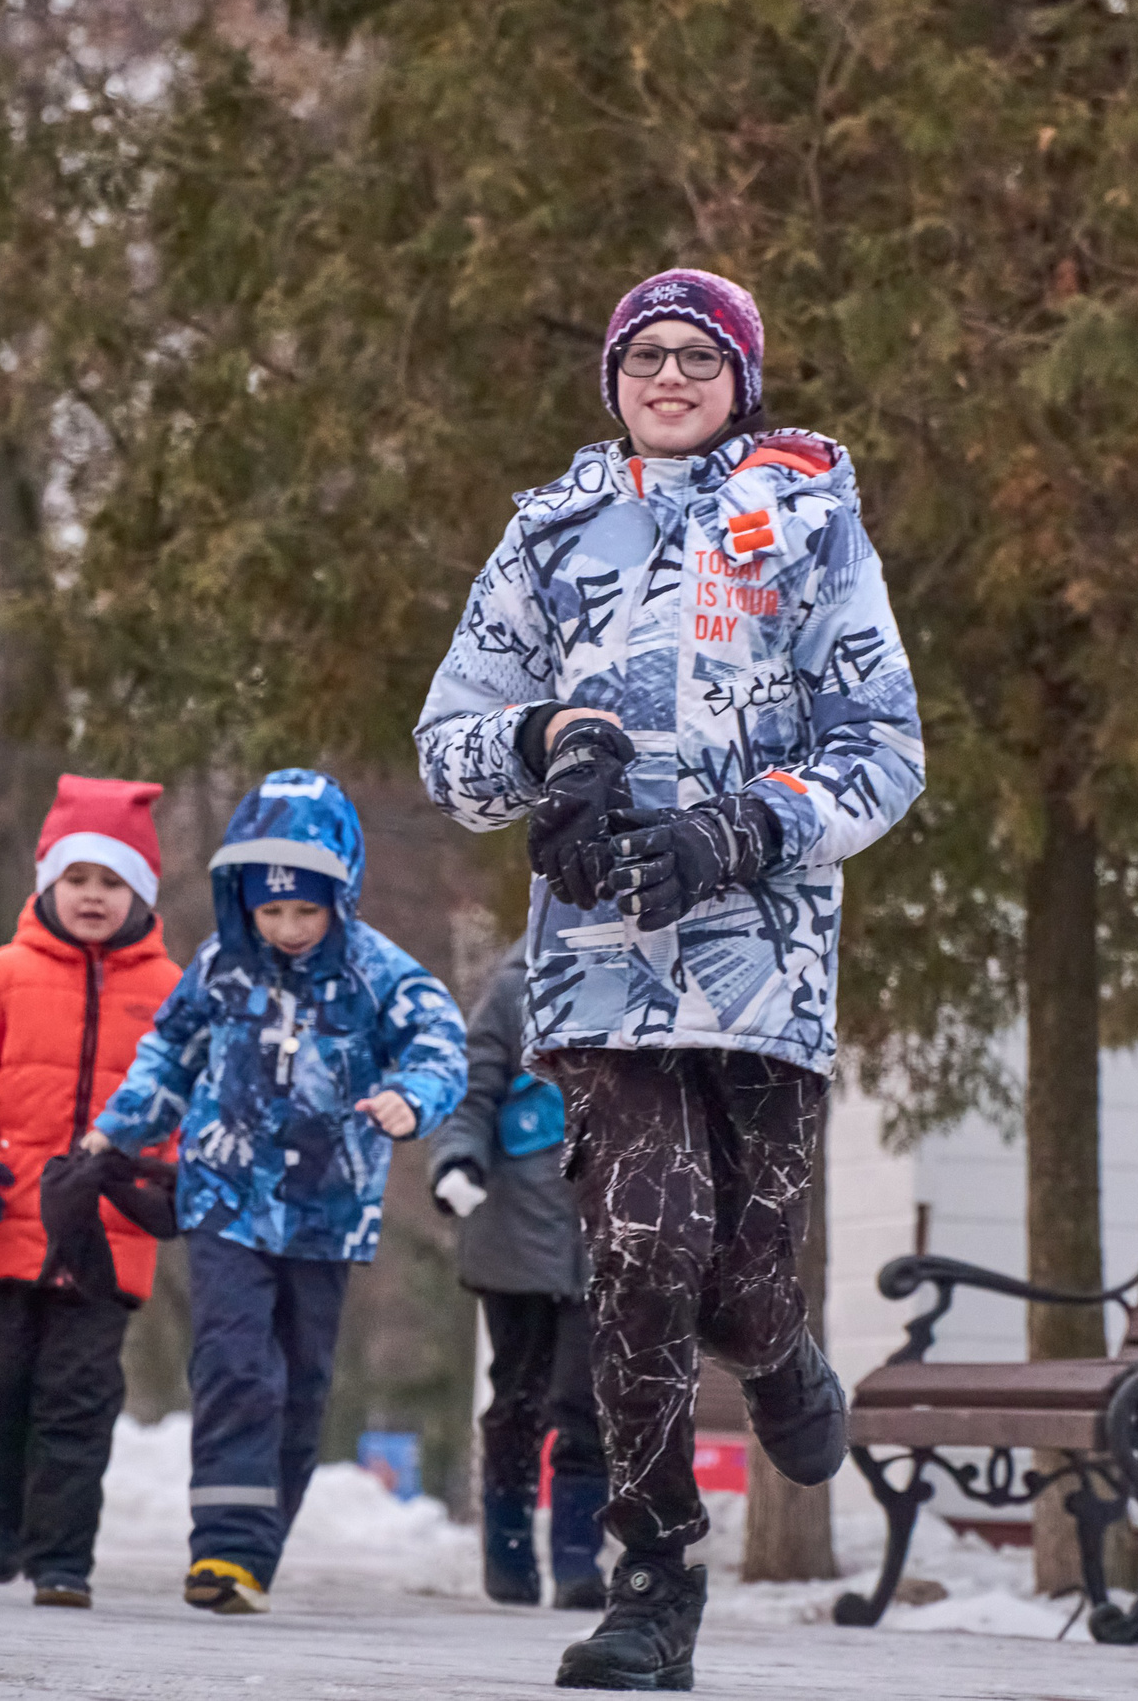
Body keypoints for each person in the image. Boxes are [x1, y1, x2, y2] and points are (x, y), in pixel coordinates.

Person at [415, 268, 925, 1689]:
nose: (671, 374)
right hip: (597, 975)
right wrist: (551, 744)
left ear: (743, 377)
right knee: (642, 1248)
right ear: (613, 377)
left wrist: (745, 823)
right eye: (645, 353)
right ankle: (652, 1582)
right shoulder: (551, 530)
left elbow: (885, 747)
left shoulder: (812, 526)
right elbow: (449, 735)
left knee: (744, 1277)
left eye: (701, 354)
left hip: (764, 973)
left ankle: (782, 1352)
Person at [87, 769, 467, 1617]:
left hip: (329, 1213)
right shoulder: (222, 966)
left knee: (298, 1380)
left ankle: (259, 1547)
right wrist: (115, 1129)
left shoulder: (379, 973)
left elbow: (441, 1045)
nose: (289, 928)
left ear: (340, 894)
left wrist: (411, 1100)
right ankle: (223, 1550)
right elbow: (168, 1052)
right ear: (243, 900)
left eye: (307, 910)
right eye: (272, 911)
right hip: (225, 1191)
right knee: (232, 1363)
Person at [0, 774, 182, 1610]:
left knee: (79, 1398)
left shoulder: (171, 991)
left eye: (112, 882)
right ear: (48, 884)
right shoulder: (1, 973)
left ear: (140, 891)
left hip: (104, 1235)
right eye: (78, 879)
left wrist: (160, 1178)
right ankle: (7, 1510)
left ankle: (64, 1556)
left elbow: (184, 1101)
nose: (93, 897)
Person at [428, 945, 607, 1612]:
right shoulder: (511, 990)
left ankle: (578, 1559)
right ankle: (507, 1550)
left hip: (605, 1230)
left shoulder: (645, 975)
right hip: (514, 1227)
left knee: (587, 1400)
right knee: (518, 1396)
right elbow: (470, 1094)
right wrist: (458, 1161)